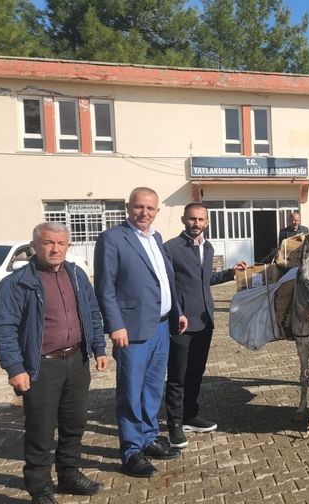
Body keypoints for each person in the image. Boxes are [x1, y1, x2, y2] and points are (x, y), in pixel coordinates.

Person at [0, 222, 108, 504]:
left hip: (77, 361)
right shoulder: (17, 283)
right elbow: (3, 328)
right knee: (41, 430)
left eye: (61, 243)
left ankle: (69, 474)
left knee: (74, 424)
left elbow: (92, 312)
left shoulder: (77, 275)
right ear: (35, 245)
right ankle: (39, 486)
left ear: (68, 246)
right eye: (48, 242)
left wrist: (98, 348)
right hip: (42, 366)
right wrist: (15, 368)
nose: (55, 248)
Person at [94, 187, 188, 477]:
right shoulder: (112, 239)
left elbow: (165, 279)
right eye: (138, 207)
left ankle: (148, 439)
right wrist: (115, 325)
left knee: (151, 388)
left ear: (157, 212)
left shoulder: (156, 238)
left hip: (161, 326)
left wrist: (177, 311)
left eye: (150, 209)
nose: (144, 213)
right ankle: (131, 451)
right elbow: (105, 287)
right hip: (132, 330)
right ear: (128, 207)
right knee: (130, 392)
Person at [163, 204, 248, 448]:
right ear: (183, 219)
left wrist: (232, 273)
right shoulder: (170, 249)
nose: (196, 223)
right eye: (192, 219)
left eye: (201, 219)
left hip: (204, 321)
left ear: (207, 222)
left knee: (195, 372)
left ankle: (190, 415)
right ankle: (174, 424)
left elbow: (204, 280)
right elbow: (166, 286)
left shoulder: (208, 247)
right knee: (177, 376)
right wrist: (177, 313)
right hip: (182, 323)